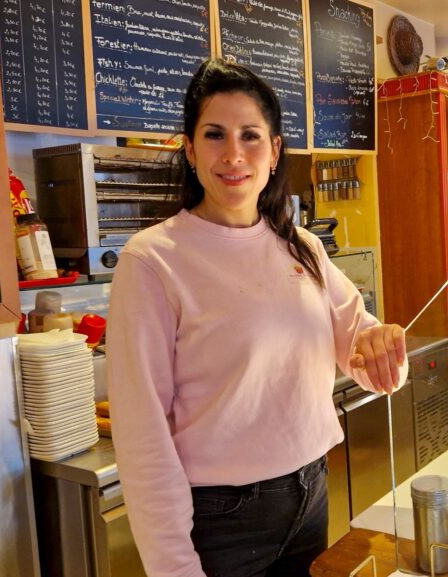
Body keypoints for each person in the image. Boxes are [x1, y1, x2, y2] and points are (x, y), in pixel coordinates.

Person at [107, 58, 408, 577]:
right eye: (214, 135)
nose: (232, 154)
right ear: (190, 149)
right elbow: (141, 434)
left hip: (311, 493)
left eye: (250, 136)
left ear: (274, 152)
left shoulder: (303, 247)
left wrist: (384, 353)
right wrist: (174, 567)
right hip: (220, 520)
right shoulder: (152, 260)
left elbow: (362, 348)